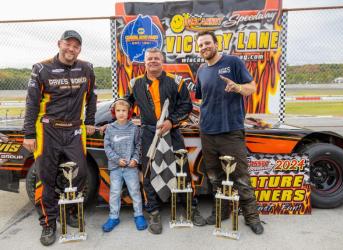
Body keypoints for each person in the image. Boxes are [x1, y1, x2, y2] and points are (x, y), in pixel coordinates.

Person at [23, 30, 97, 246]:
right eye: (68, 44)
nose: (71, 49)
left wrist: (90, 120)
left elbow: (91, 97)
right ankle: (48, 222)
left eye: (76, 46)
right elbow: (32, 103)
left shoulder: (86, 68)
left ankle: (71, 211)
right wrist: (28, 133)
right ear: (59, 44)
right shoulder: (41, 68)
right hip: (48, 130)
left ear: (79, 49)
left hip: (75, 129)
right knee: (46, 178)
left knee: (80, 173)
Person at [128, 47, 206, 234]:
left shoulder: (175, 82)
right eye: (150, 59)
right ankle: (153, 211)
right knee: (148, 173)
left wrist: (172, 121)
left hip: (172, 132)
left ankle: (191, 208)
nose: (153, 61)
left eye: (156, 58)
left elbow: (186, 105)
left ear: (162, 61)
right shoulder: (134, 83)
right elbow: (126, 103)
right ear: (144, 61)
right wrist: (116, 117)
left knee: (182, 171)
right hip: (148, 134)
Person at [195, 31, 264, 234]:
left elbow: (252, 88)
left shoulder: (233, 62)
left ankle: (252, 217)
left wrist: (237, 88)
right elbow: (202, 98)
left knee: (241, 178)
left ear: (216, 44)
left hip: (231, 131)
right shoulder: (201, 70)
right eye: (200, 45)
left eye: (207, 43)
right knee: (215, 178)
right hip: (207, 132)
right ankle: (222, 212)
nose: (204, 47)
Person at [102, 98, 147, 232]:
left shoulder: (134, 128)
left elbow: (139, 145)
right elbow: (107, 147)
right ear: (114, 112)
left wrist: (135, 159)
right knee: (115, 192)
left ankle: (138, 215)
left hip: (131, 168)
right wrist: (116, 160)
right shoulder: (110, 128)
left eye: (124, 111)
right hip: (116, 168)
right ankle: (113, 217)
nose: (121, 113)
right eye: (118, 111)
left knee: (135, 191)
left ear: (129, 112)